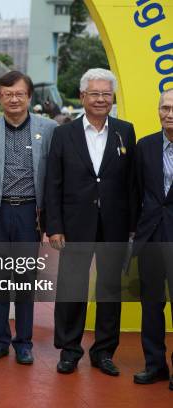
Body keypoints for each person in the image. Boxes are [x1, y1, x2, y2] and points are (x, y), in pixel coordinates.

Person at [46, 68, 137, 376]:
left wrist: (133, 227)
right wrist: (53, 226)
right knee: (72, 287)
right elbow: (53, 183)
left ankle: (103, 352)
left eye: (106, 94)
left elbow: (131, 184)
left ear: (112, 98)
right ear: (82, 96)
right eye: (94, 94)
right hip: (74, 225)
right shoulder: (63, 133)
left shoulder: (126, 130)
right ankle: (69, 350)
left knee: (110, 288)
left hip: (115, 223)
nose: (100, 99)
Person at [0, 71, 57, 365]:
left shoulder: (49, 129)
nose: (14, 99)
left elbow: (54, 176)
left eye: (20, 93)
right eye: (8, 94)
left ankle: (24, 343)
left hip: (29, 215)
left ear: (29, 97)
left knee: (24, 282)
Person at [132, 88, 173, 391]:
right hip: (150, 238)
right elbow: (135, 193)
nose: (168, 114)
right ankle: (155, 366)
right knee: (151, 305)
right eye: (164, 108)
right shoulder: (144, 146)